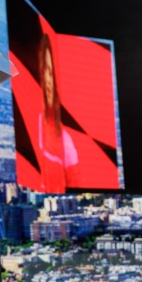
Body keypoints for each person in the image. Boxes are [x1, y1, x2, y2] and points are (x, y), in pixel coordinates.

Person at [37, 32, 79, 192]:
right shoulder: (38, 123)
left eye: (51, 72)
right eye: (45, 70)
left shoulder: (66, 141)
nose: (48, 79)